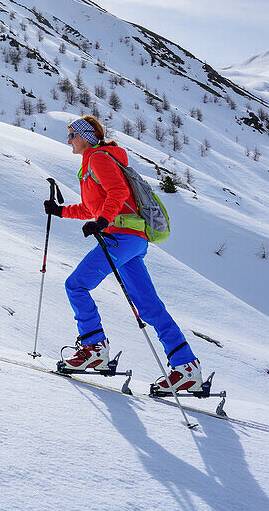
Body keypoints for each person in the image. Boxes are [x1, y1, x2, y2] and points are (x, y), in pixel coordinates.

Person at [44, 114, 202, 393]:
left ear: (85, 137)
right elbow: (92, 208)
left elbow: (117, 192)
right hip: (132, 239)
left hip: (121, 236)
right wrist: (61, 211)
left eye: (72, 135)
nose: (68, 140)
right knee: (149, 305)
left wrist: (103, 222)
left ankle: (94, 349)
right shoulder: (94, 161)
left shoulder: (98, 158)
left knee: (76, 285)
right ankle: (186, 367)